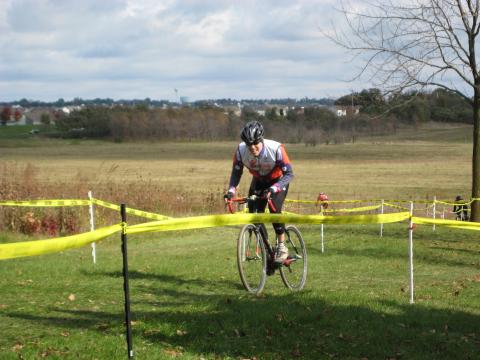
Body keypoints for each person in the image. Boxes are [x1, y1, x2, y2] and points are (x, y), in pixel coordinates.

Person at [225, 121, 294, 263]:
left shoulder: (276, 148)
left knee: (274, 208)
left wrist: (275, 188)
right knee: (254, 216)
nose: (252, 147)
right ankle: (267, 249)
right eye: (248, 144)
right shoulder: (240, 151)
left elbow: (289, 174)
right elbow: (236, 174)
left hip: (278, 181)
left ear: (261, 139)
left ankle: (281, 246)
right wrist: (231, 191)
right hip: (259, 181)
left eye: (255, 143)